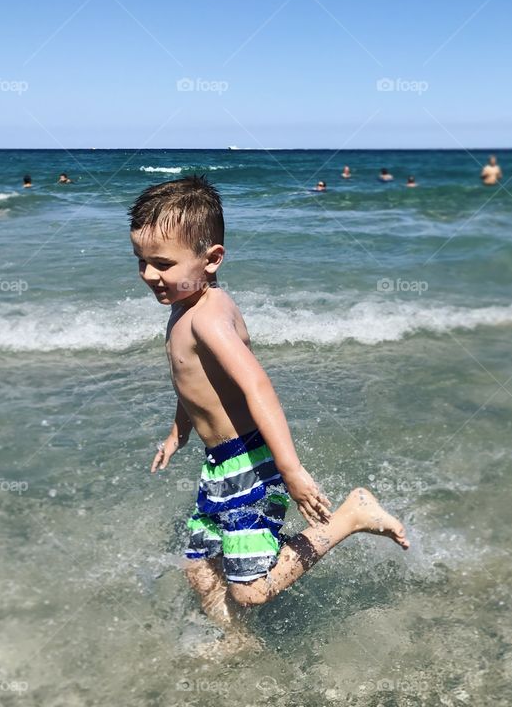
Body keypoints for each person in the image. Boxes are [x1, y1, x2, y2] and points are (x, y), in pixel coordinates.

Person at [129, 176, 409, 623]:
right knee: (199, 568)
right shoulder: (183, 307)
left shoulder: (210, 319)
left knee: (252, 592)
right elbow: (196, 385)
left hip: (249, 462)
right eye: (140, 261)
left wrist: (290, 470)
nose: (148, 275)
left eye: (161, 263)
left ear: (211, 259)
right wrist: (176, 432)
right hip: (219, 462)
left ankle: (350, 517)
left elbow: (257, 387)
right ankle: (236, 642)